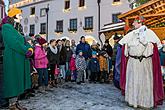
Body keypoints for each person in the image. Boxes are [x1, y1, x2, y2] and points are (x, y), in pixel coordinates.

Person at [119, 16, 164, 108]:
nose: (132, 24)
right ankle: (133, 101)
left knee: (145, 83)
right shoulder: (131, 34)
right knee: (133, 81)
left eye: (134, 22)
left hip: (144, 62)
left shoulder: (150, 33)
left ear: (140, 22)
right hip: (132, 63)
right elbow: (125, 49)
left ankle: (145, 103)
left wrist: (146, 43)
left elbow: (156, 48)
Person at [1, 8, 33, 110]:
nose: (21, 17)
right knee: (13, 80)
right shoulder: (6, 27)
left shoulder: (16, 28)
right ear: (14, 15)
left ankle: (16, 102)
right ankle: (12, 104)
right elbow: (13, 43)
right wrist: (25, 50)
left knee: (18, 80)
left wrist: (30, 48)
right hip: (12, 58)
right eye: (19, 15)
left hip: (19, 58)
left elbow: (23, 40)